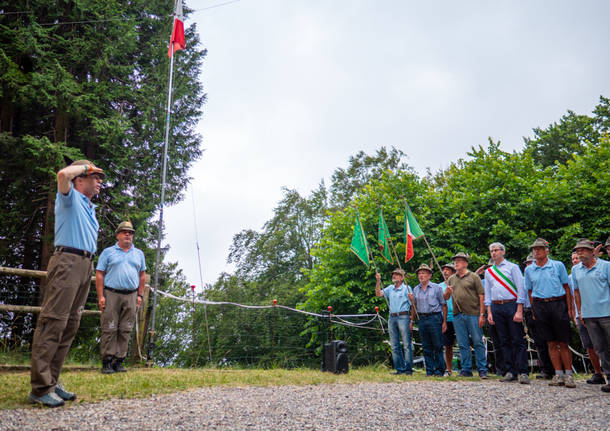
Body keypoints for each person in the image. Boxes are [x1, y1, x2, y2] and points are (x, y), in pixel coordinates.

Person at [29, 160, 105, 407]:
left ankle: (52, 380)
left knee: (70, 325)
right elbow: (62, 174)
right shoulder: (69, 197)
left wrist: (90, 171)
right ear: (80, 180)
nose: (100, 181)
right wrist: (85, 167)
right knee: (54, 321)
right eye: (95, 177)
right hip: (68, 262)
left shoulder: (88, 206)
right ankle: (40, 388)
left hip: (84, 266)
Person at [96, 221, 147, 374]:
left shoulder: (139, 254)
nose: (127, 234)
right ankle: (107, 361)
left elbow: (142, 275)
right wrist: (101, 296)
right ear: (117, 234)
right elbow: (99, 273)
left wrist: (139, 295)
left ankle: (119, 360)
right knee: (109, 327)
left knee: (126, 328)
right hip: (111, 293)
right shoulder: (108, 252)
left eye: (130, 232)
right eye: (124, 232)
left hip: (131, 295)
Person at [524, 238, 575, 388]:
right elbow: (530, 291)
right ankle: (558, 374)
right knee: (550, 342)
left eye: (539, 248)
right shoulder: (529, 269)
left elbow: (567, 287)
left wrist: (569, 308)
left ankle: (569, 374)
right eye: (534, 249)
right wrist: (534, 310)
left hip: (558, 302)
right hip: (540, 305)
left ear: (547, 250)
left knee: (563, 341)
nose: (536, 251)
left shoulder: (557, 265)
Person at [484, 242, 529, 384]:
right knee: (503, 340)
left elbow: (521, 288)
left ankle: (523, 371)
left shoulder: (513, 267)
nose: (494, 253)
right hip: (496, 307)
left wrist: (519, 309)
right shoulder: (489, 272)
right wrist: (489, 311)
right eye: (491, 251)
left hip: (512, 304)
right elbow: (488, 293)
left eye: (496, 250)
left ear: (503, 252)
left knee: (517, 339)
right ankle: (510, 371)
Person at [572, 239, 610, 393]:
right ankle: (609, 377)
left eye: (582, 250)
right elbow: (576, 291)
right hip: (589, 315)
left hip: (607, 312)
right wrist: (580, 311)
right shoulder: (576, 270)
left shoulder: (606, 266)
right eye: (577, 250)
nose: (579, 253)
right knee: (600, 348)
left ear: (591, 251)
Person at [446, 252, 488, 379]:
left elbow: (482, 295)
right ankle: (466, 369)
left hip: (474, 314)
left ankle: (482, 369)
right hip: (458, 315)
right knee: (462, 343)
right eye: (455, 261)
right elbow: (445, 297)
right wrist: (447, 292)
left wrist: (482, 314)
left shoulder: (474, 277)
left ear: (465, 263)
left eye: (459, 260)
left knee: (477, 342)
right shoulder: (451, 279)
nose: (456, 263)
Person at [569, 251, 605, 384]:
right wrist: (574, 314)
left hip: (600, 312)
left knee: (605, 343)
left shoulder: (599, 269)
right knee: (589, 345)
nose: (575, 260)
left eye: (577, 258)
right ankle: (597, 373)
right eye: (573, 259)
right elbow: (572, 296)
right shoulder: (571, 275)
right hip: (581, 314)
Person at [376, 268, 415, 375]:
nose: (394, 276)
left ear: (402, 278)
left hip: (404, 317)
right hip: (392, 317)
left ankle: (408, 370)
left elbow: (413, 305)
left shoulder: (407, 288)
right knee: (394, 345)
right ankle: (399, 369)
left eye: (397, 275)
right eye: (393, 274)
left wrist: (412, 320)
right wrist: (378, 281)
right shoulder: (390, 288)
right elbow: (378, 294)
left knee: (407, 344)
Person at [521, 253, 554, 379]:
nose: (529, 266)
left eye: (531, 263)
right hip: (529, 311)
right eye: (527, 264)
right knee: (539, 342)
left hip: (543, 308)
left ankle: (556, 368)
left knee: (551, 340)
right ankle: (545, 369)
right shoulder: (524, 279)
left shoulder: (542, 276)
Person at [412, 264, 447, 376]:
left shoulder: (437, 288)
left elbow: (444, 305)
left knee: (437, 345)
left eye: (423, 273)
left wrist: (444, 321)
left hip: (435, 317)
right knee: (426, 346)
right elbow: (414, 306)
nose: (421, 275)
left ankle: (439, 370)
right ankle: (429, 370)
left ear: (429, 275)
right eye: (419, 273)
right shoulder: (415, 289)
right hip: (422, 318)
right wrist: (412, 320)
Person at [440, 263, 456, 376]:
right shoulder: (439, 286)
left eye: (448, 270)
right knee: (447, 345)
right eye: (444, 270)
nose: (445, 272)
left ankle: (467, 368)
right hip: (445, 318)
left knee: (464, 343)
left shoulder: (459, 283)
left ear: (453, 272)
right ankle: (448, 369)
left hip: (459, 316)